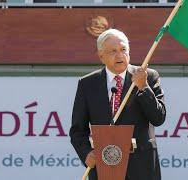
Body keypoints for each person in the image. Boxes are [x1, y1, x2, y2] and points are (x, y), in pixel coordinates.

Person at [69, 29, 166, 180]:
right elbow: (77, 130)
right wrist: (86, 153)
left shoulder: (147, 76)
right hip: (104, 165)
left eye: (123, 49)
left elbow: (158, 118)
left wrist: (144, 87)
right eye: (113, 51)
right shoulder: (87, 84)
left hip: (141, 168)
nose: (120, 55)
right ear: (101, 56)